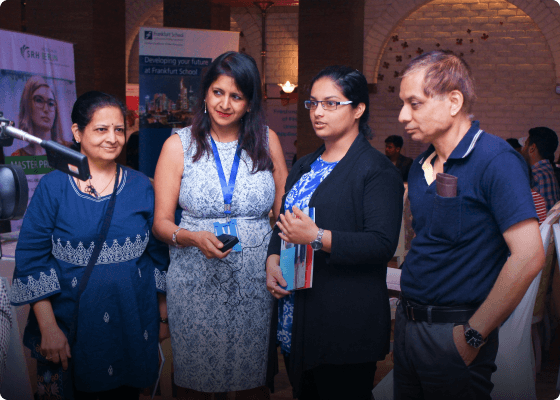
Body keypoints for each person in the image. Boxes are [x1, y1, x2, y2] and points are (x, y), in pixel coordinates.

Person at [394, 50, 544, 399]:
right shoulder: (420, 166)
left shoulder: (496, 160)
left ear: (453, 101)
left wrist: (474, 335)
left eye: (413, 103)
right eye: (403, 103)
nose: (403, 115)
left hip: (455, 331)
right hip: (408, 326)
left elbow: (528, 256)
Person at [10, 91, 169, 400]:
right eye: (101, 129)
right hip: (69, 329)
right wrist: (49, 328)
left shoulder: (140, 185)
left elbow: (158, 256)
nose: (112, 138)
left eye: (119, 129)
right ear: (76, 132)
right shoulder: (53, 187)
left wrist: (162, 319)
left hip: (132, 325)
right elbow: (31, 258)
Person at [152, 51, 288, 399]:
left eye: (236, 96)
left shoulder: (266, 141)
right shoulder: (177, 145)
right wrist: (192, 237)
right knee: (194, 379)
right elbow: (161, 224)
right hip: (194, 279)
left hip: (255, 281)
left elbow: (286, 212)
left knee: (251, 380)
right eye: (217, 92)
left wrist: (281, 262)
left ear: (249, 102)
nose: (225, 104)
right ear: (205, 94)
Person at [266, 66, 404, 400]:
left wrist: (317, 237)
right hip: (298, 315)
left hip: (344, 322)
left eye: (331, 104)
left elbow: (381, 244)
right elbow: (285, 221)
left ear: (358, 109)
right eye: (313, 104)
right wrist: (272, 258)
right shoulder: (305, 164)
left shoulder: (376, 169)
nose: (318, 112)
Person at [12, 75, 64, 156]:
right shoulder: (18, 155)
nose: (46, 109)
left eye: (51, 103)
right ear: (27, 105)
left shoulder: (68, 150)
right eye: (39, 100)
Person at [520, 127, 560, 211]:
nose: (522, 150)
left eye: (525, 144)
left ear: (532, 148)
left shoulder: (535, 176)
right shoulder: (551, 171)